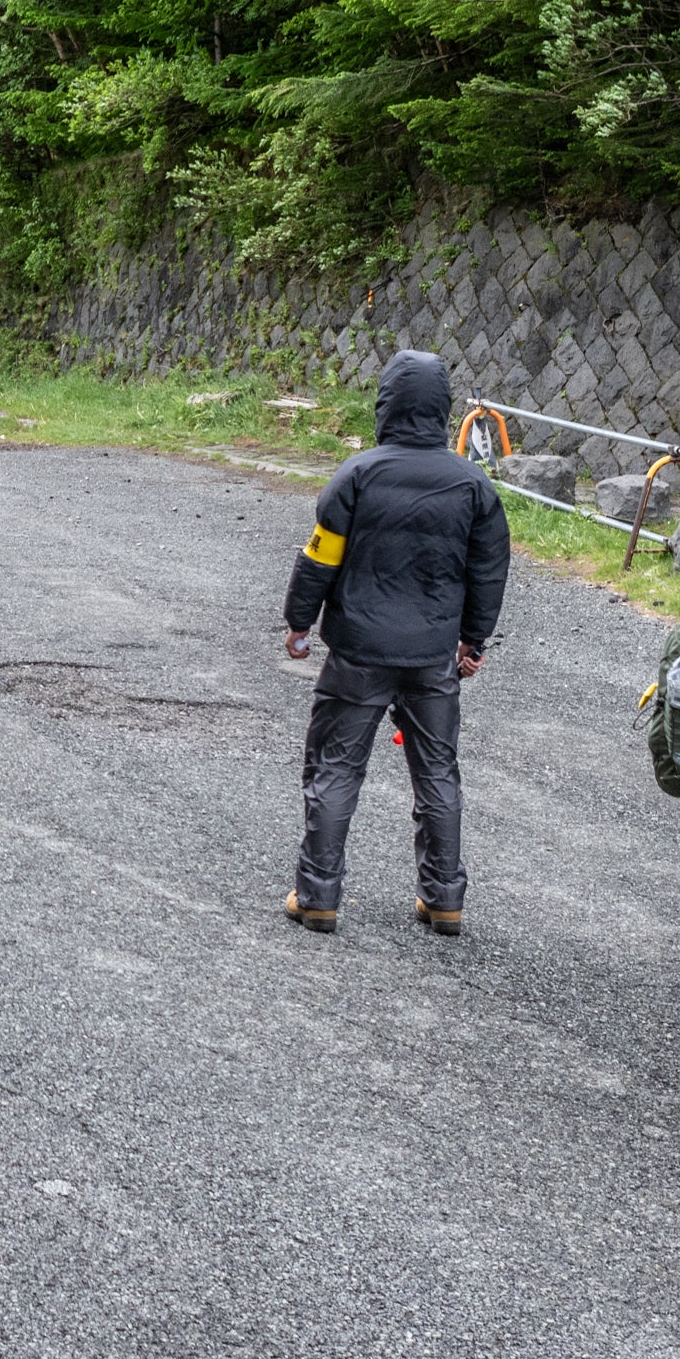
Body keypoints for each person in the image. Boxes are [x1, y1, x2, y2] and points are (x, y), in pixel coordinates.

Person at [277, 349, 504, 939]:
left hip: (358, 651)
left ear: (386, 405)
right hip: (432, 656)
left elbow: (319, 556)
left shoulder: (358, 474)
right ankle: (444, 899)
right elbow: (488, 570)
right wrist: (472, 641)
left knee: (336, 768)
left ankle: (318, 895)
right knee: (437, 772)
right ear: (440, 411)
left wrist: (299, 624)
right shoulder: (472, 484)